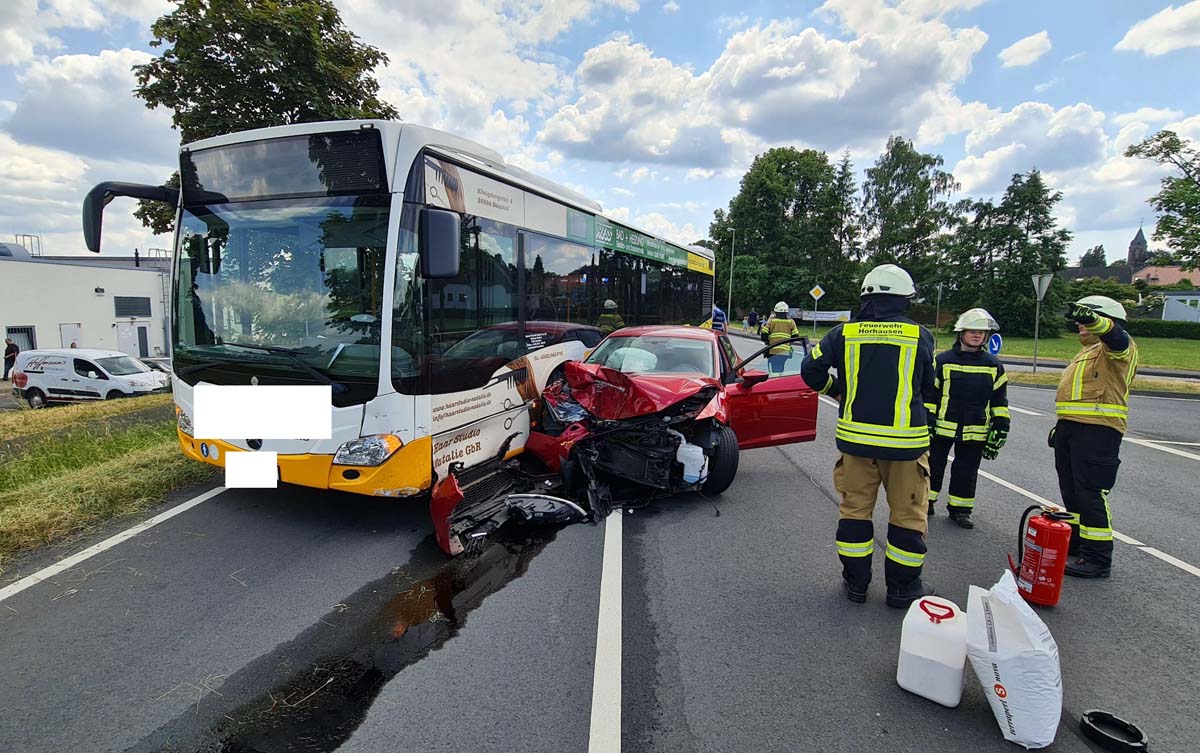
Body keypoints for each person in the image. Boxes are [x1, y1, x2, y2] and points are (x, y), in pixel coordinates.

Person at [801, 264, 939, 608]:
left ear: (867, 295)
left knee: (854, 513)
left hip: (856, 443)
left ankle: (856, 584)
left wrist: (838, 390)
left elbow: (810, 370)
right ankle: (902, 589)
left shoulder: (843, 333)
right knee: (908, 517)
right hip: (906, 447)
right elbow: (927, 386)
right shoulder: (920, 335)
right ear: (904, 298)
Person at [1052, 295, 1139, 579]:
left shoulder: (1117, 347)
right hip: (1073, 428)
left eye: (1086, 319)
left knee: (1090, 493)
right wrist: (1063, 425)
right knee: (1072, 491)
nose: (1080, 323)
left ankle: (1098, 557)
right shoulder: (1088, 351)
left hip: (1098, 431)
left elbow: (1116, 337)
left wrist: (1095, 319)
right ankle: (1077, 545)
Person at [927, 308, 1010, 529]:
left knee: (967, 471)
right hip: (941, 428)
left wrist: (1001, 427)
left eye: (982, 332)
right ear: (961, 333)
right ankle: (927, 502)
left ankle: (960, 510)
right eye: (973, 331)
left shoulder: (994, 365)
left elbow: (999, 400)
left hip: (976, 430)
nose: (978, 335)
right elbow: (929, 394)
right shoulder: (943, 361)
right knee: (932, 466)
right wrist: (927, 419)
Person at [759, 301, 800, 373]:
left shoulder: (772, 321)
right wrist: (788, 342)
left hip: (773, 350)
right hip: (785, 351)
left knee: (775, 371)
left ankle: (776, 382)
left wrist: (768, 341)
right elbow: (796, 335)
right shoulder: (791, 322)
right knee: (780, 369)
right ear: (786, 312)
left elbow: (764, 335)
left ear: (776, 312)